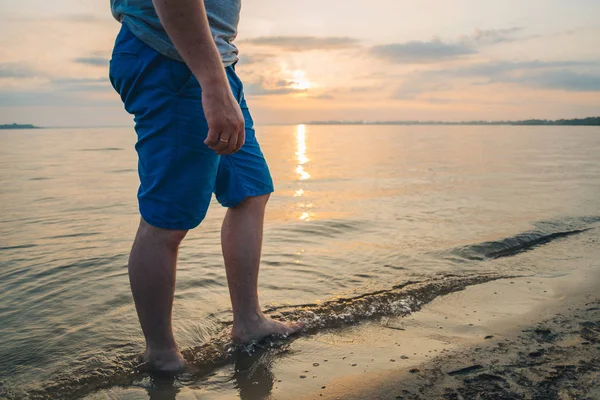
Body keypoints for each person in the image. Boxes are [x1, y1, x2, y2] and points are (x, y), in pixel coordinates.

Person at [108, 0, 304, 373]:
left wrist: (219, 78)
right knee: (167, 221)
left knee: (250, 190)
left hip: (214, 64)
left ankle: (249, 323)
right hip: (172, 59)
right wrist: (212, 84)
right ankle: (161, 355)